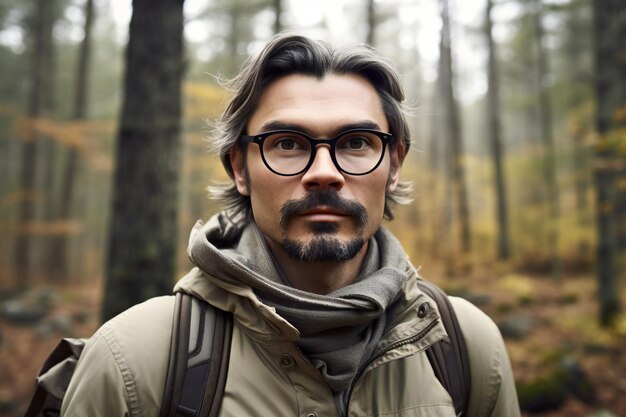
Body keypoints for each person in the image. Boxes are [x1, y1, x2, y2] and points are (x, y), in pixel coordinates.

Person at [60, 33, 520, 417]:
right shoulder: (134, 362)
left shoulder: (466, 347)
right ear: (239, 167)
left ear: (394, 163)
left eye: (357, 141)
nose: (324, 171)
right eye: (288, 143)